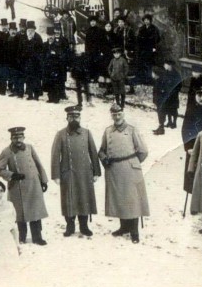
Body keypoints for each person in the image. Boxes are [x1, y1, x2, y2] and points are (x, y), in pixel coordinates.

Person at [97, 104, 150, 243]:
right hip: (114, 169)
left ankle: (134, 232)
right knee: (119, 198)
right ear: (111, 115)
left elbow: (143, 151)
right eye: (114, 114)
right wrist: (104, 159)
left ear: (123, 114)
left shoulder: (132, 130)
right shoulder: (108, 131)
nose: (116, 116)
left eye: (119, 113)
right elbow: (101, 150)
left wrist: (133, 163)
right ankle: (123, 227)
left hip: (130, 169)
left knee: (132, 200)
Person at [51, 105, 100, 237]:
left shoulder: (87, 133)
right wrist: (56, 174)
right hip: (68, 172)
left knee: (84, 198)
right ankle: (70, 225)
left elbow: (93, 153)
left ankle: (84, 226)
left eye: (76, 116)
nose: (74, 119)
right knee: (69, 199)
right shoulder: (60, 134)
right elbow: (55, 155)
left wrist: (96, 172)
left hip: (85, 173)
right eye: (71, 116)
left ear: (80, 118)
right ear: (67, 118)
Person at [0, 127, 49, 245]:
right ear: (11, 138)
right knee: (20, 213)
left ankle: (37, 237)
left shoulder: (29, 148)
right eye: (15, 137)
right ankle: (22, 237)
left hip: (34, 185)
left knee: (35, 211)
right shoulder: (6, 152)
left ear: (24, 137)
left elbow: (38, 164)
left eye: (20, 137)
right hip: (17, 187)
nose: (18, 140)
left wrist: (44, 181)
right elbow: (0, 170)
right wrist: (12, 175)